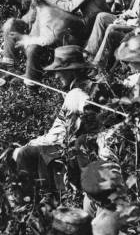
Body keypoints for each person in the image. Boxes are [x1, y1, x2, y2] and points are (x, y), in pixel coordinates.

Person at [12, 46, 97, 190]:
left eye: (60, 72)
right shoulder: (84, 87)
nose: (56, 76)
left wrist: (86, 106)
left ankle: (31, 200)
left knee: (22, 153)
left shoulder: (76, 93)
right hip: (63, 142)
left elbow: (87, 105)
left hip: (62, 146)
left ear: (71, 71)